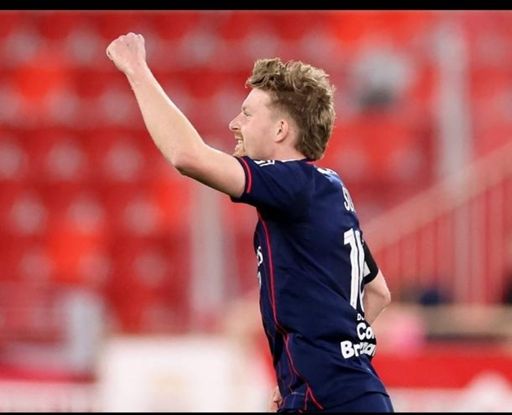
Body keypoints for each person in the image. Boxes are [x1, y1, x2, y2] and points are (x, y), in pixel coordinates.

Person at [106, 32, 394, 413]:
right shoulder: (328, 187)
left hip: (329, 399)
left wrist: (136, 69)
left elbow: (188, 156)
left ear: (280, 130)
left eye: (247, 113)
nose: (233, 123)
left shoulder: (293, 183)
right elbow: (377, 292)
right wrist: (311, 366)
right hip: (349, 392)